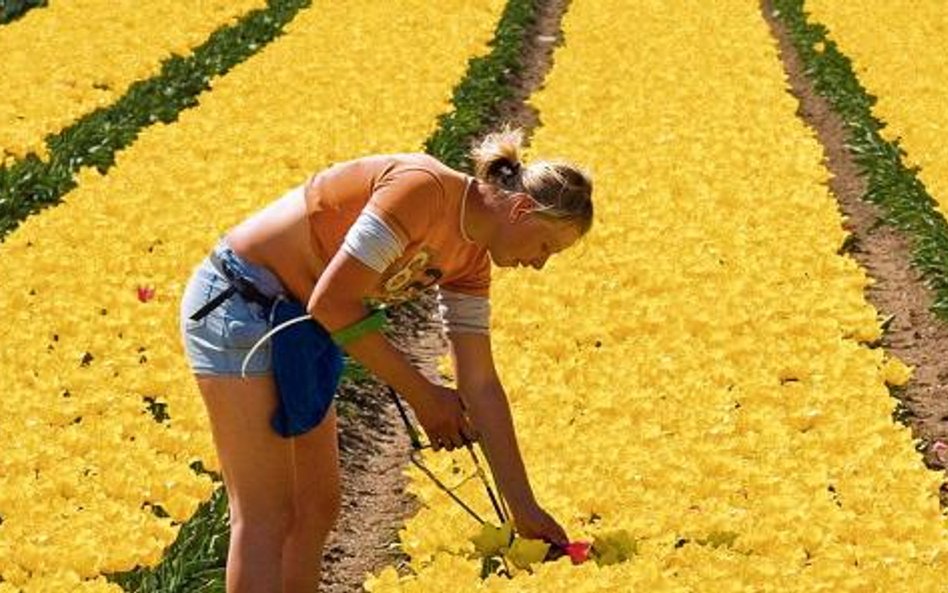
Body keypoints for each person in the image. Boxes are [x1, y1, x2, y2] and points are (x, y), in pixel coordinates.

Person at [178, 126, 594, 592]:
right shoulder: (424, 190)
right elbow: (333, 303)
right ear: (520, 209)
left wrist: (523, 508)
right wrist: (423, 395)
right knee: (265, 514)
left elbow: (480, 384)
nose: (539, 264)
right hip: (239, 301)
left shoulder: (472, 259)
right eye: (545, 247)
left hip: (298, 326)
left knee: (317, 503)